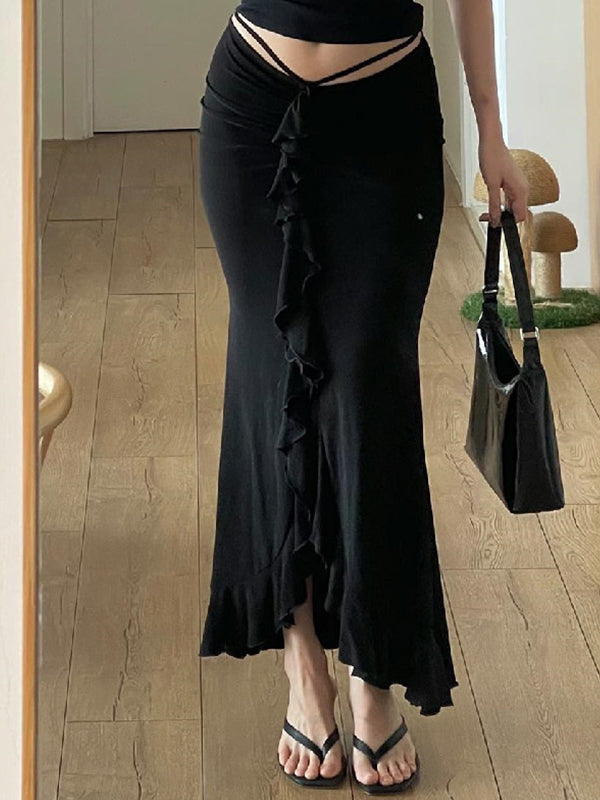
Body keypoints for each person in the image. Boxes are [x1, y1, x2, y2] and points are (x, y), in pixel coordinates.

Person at [197, 0, 529, 793]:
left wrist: (491, 128)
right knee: (272, 381)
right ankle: (302, 662)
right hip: (252, 102)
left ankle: (374, 671)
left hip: (385, 114)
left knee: (372, 392)